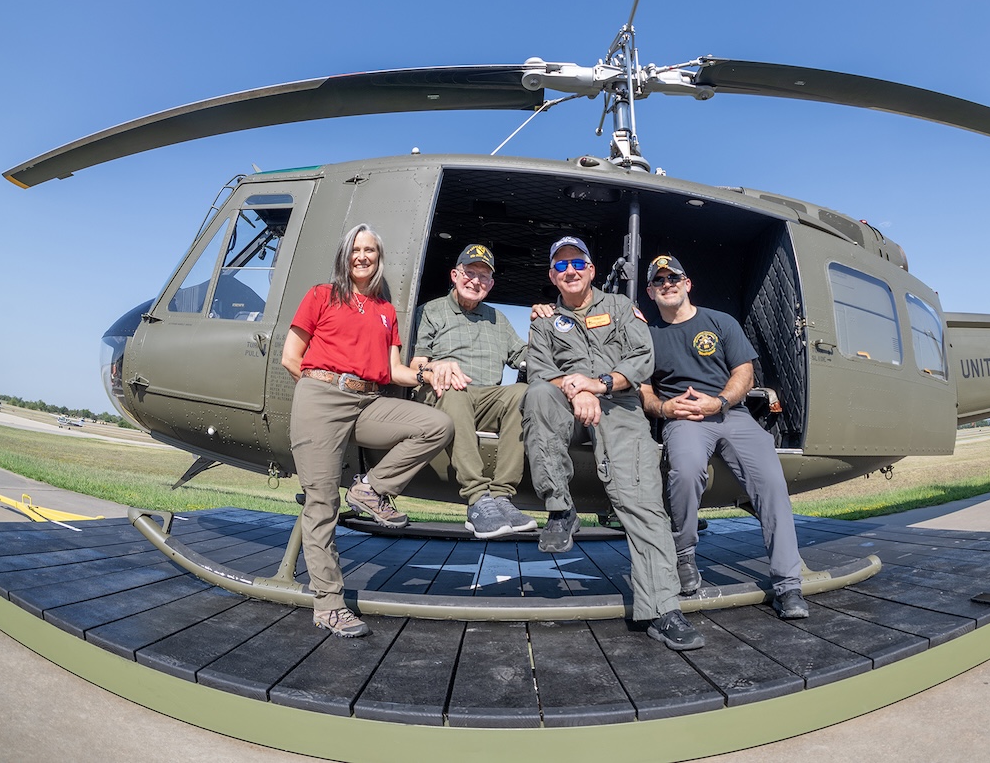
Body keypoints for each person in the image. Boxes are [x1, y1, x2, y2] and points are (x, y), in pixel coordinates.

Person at [522, 236, 704, 651]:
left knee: (640, 499)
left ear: (590, 269)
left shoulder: (621, 308)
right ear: (553, 275)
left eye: (577, 263)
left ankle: (662, 608)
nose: (570, 271)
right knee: (536, 396)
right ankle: (560, 509)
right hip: (566, 402)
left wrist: (599, 384)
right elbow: (539, 371)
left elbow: (642, 358)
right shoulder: (544, 322)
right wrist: (578, 390)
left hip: (619, 406)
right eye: (561, 266)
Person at [281, 224, 454, 637]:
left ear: (378, 258)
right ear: (345, 255)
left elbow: (395, 371)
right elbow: (292, 356)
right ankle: (328, 605)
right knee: (321, 504)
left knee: (436, 425)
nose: (362, 256)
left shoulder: (385, 310)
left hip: (368, 400)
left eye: (370, 250)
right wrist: (317, 396)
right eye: (356, 249)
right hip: (321, 397)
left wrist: (429, 372)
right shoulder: (322, 295)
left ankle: (370, 490)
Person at [639, 254, 810, 619]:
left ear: (687, 284)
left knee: (771, 484)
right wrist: (665, 409)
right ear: (651, 293)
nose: (667, 284)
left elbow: (744, 373)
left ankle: (788, 584)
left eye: (674, 278)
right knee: (684, 472)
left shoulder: (720, 321)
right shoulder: (648, 337)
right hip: (683, 419)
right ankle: (684, 556)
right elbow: (642, 390)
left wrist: (718, 402)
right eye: (659, 281)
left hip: (732, 414)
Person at [409, 243, 536, 539]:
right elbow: (417, 361)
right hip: (442, 393)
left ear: (491, 285)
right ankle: (478, 499)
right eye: (469, 272)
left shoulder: (497, 319)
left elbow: (524, 356)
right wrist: (436, 368)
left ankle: (502, 497)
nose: (475, 281)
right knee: (454, 388)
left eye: (483, 276)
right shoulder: (431, 310)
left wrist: (543, 331)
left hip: (485, 398)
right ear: (455, 275)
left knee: (522, 393)